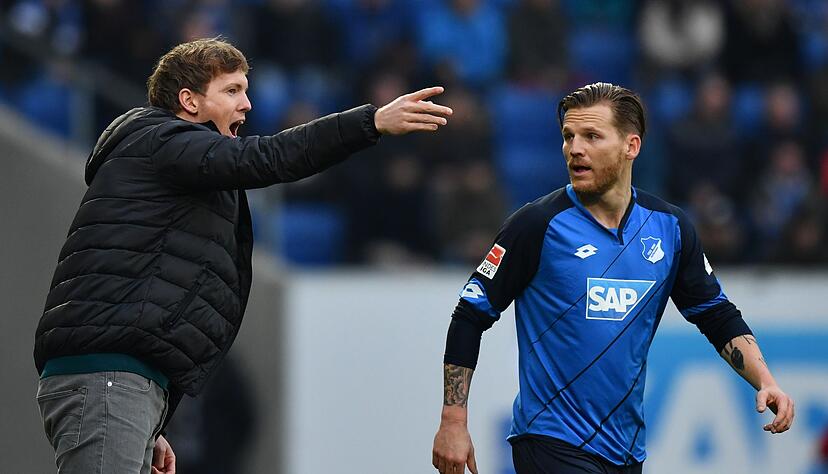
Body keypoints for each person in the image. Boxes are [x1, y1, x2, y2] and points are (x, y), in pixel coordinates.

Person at [33, 37, 452, 474]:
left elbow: (149, 294)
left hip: (126, 384)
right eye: (232, 90)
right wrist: (372, 121)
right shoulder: (162, 139)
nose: (247, 104)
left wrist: (152, 416)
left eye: (246, 90)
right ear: (189, 102)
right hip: (109, 379)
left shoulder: (172, 162)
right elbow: (269, 158)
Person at [431, 82, 794, 474]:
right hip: (552, 442)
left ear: (631, 146)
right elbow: (470, 314)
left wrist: (765, 380)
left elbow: (716, 314)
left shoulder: (669, 229)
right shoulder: (536, 225)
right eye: (568, 136)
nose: (575, 148)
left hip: (626, 451)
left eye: (591, 136)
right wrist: (453, 421)